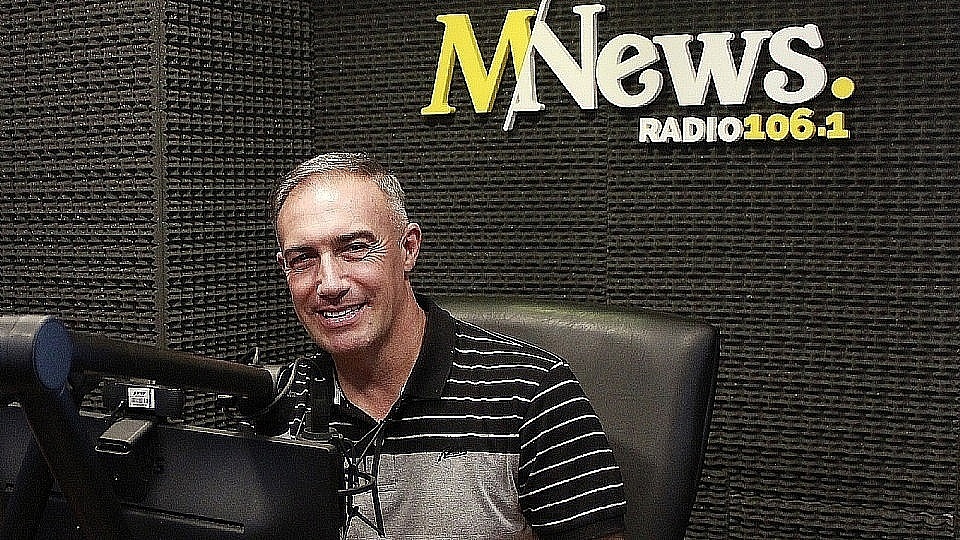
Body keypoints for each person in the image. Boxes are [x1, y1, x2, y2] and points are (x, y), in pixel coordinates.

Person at [270, 152, 626, 539]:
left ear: (408, 249)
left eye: (355, 247)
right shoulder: (278, 405)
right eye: (303, 258)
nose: (329, 283)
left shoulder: (533, 393)